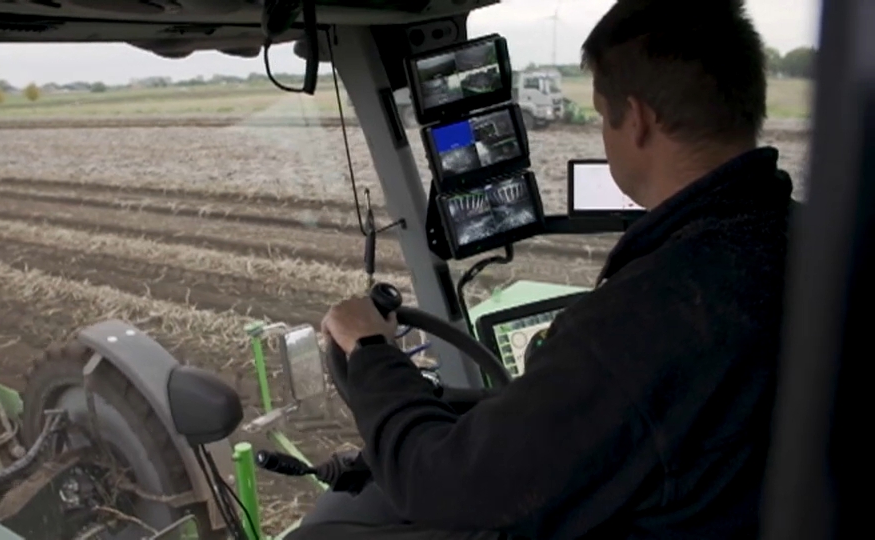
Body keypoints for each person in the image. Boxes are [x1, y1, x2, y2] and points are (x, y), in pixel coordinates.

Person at [288, 0, 795, 538]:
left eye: (603, 114)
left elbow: (444, 488)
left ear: (639, 119)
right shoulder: (814, 243)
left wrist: (369, 353)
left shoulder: (649, 318)